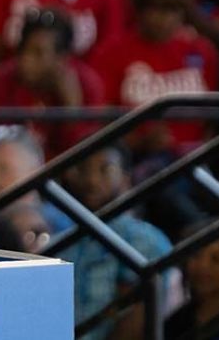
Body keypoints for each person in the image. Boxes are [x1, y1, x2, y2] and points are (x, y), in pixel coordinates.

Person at [90, 0, 219, 155]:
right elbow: (100, 122)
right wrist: (139, 142)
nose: (163, 19)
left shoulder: (203, 51)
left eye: (171, 10)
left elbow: (215, 118)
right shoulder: (111, 53)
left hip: (195, 161)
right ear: (140, 9)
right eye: (155, 9)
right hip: (134, 162)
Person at [60, 146, 172, 340]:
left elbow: (139, 317)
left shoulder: (146, 240)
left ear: (125, 177)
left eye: (106, 170)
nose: (92, 180)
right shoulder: (62, 241)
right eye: (84, 170)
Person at [0, 9, 104, 158]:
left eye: (38, 53)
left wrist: (72, 109)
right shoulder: (0, 82)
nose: (26, 60)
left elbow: (87, 156)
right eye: (24, 50)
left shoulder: (88, 85)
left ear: (62, 58)